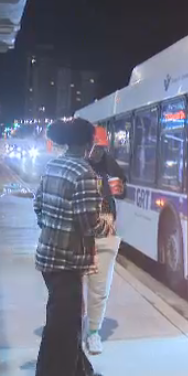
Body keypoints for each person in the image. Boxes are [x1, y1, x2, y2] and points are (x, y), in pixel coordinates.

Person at [33, 118, 111, 376]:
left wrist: (54, 228)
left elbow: (38, 206)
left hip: (48, 257)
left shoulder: (53, 165)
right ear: (88, 144)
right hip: (68, 262)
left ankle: (81, 372)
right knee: (63, 328)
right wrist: (107, 227)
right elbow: (88, 222)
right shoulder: (85, 173)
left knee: (65, 321)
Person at [83, 126, 126, 355]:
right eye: (95, 147)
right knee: (72, 287)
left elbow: (122, 186)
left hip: (105, 227)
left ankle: (93, 332)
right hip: (80, 230)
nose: (98, 152)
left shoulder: (108, 164)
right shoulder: (76, 165)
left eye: (101, 148)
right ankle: (73, 329)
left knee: (100, 288)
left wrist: (118, 187)